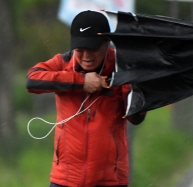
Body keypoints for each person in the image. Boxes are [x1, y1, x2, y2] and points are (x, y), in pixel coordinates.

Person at [26, 10, 146, 187]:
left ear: (107, 43)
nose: (87, 57)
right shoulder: (64, 62)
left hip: (110, 180)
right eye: (80, 50)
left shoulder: (122, 66)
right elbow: (32, 81)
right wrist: (80, 81)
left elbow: (137, 117)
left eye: (93, 49)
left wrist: (126, 80)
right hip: (65, 179)